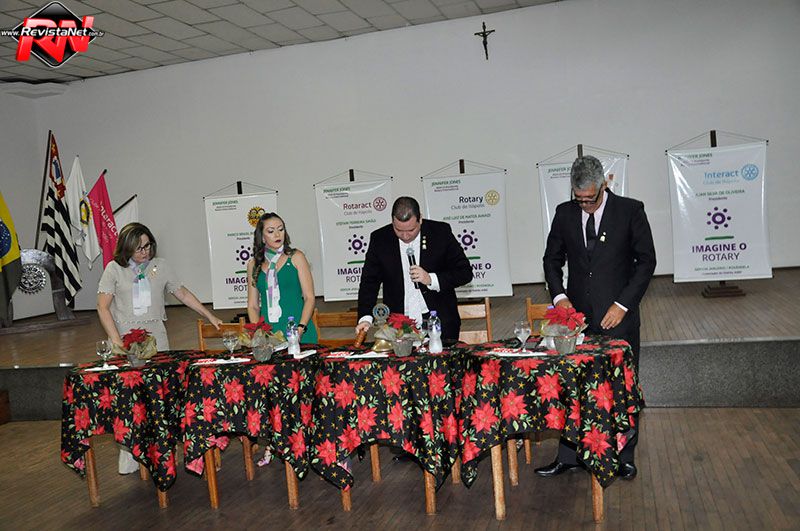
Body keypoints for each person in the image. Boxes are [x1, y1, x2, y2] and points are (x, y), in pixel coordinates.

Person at [538, 155, 656, 480]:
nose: (585, 205)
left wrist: (623, 304)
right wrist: (560, 297)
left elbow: (647, 262)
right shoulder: (564, 213)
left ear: (604, 185)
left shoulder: (630, 211)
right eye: (580, 199)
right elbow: (551, 259)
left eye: (591, 198)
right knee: (573, 389)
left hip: (619, 318)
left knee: (621, 388)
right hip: (577, 321)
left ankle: (624, 457)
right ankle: (569, 456)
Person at [97, 222, 223, 474]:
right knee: (130, 399)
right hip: (125, 339)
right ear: (126, 248)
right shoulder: (114, 269)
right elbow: (103, 307)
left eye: (148, 246)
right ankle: (130, 451)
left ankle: (163, 448)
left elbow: (182, 293)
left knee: (160, 394)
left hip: (157, 338)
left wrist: (209, 315)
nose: (145, 252)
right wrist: (117, 341)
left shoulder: (161, 266)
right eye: (139, 248)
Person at [355, 196, 473, 342]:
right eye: (398, 230)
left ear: (420, 219)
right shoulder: (380, 239)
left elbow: (464, 272)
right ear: (392, 221)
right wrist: (365, 317)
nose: (405, 236)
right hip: (398, 324)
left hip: (438, 320)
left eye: (411, 230)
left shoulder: (440, 233)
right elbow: (369, 282)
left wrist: (431, 279)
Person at [246, 212, 317, 343]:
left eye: (281, 229)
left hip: (298, 329)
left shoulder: (296, 257)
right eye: (271, 231)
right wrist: (259, 333)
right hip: (269, 334)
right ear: (262, 237)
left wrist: (301, 327)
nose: (277, 235)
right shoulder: (253, 264)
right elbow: (253, 306)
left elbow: (309, 297)